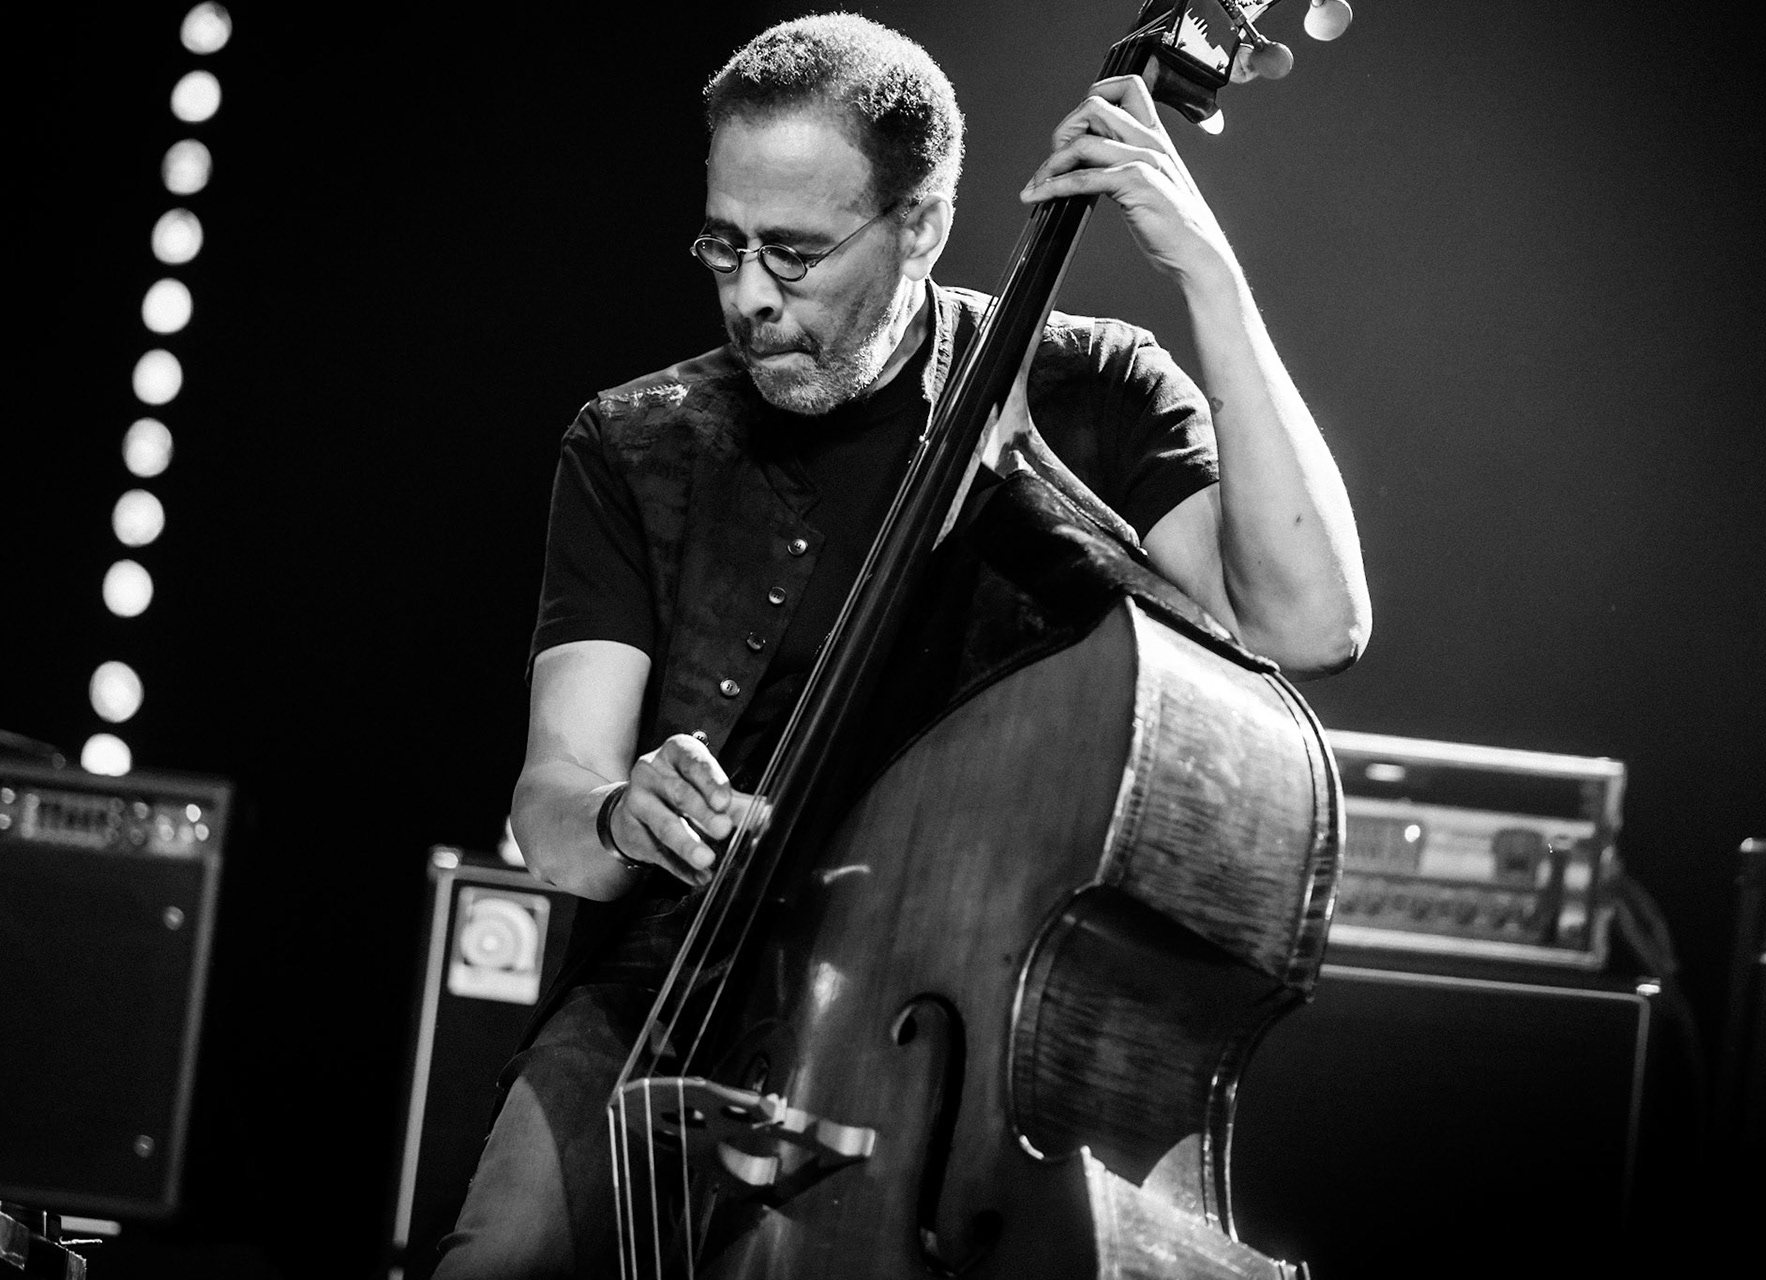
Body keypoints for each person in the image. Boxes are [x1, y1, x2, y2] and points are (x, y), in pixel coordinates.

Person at [432, 12, 1369, 1278]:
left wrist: (1207, 269)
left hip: (958, 1050)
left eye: (798, 253)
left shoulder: (1092, 391)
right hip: (675, 997)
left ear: (920, 224)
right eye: (726, 244)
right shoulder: (636, 443)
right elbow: (554, 806)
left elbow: (1312, 620)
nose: (751, 293)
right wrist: (619, 815)